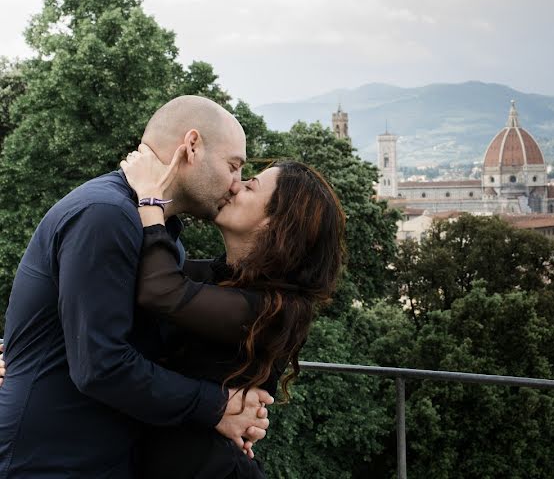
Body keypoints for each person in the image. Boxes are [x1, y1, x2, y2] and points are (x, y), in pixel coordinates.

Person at [0, 96, 273, 478]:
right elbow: (101, 365)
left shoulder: (157, 233)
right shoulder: (106, 215)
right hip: (49, 459)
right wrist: (216, 406)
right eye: (233, 166)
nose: (235, 185)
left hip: (99, 456)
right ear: (191, 145)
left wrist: (240, 410)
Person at [120, 146, 344, 478]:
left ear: (275, 223)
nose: (235, 185)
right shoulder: (223, 278)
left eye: (250, 186)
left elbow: (161, 290)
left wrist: (152, 199)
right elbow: (139, 279)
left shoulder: (277, 310)